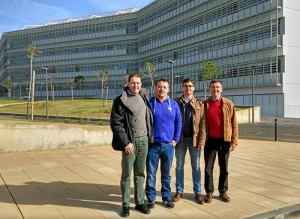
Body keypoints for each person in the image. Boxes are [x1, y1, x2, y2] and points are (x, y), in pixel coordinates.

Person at [110, 72, 153, 217]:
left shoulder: (144, 97)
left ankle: (140, 202)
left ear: (141, 84)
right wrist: (125, 143)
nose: (136, 85)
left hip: (143, 140)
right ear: (128, 83)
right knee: (126, 175)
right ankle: (126, 205)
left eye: (138, 83)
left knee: (140, 174)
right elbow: (116, 124)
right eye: (133, 83)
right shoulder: (121, 100)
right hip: (130, 142)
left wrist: (149, 137)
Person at [146, 79, 182, 209]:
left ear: (168, 89)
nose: (162, 89)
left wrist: (176, 139)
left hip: (168, 146)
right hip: (153, 145)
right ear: (156, 88)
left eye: (164, 87)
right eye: (160, 87)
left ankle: (166, 197)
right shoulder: (150, 103)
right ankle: (150, 198)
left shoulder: (173, 104)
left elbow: (178, 122)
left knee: (166, 173)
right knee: (151, 173)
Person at [203, 80, 238, 203]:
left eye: (217, 87)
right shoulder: (205, 104)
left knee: (224, 168)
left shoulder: (228, 104)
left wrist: (234, 141)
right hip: (209, 141)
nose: (215, 90)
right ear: (209, 89)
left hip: (224, 140)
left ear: (221, 89)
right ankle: (209, 192)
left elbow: (234, 123)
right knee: (208, 168)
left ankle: (223, 191)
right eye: (213, 87)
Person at [173, 78, 206, 204]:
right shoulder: (176, 102)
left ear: (194, 88)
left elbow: (203, 124)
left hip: (194, 141)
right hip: (180, 140)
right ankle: (179, 191)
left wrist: (202, 142)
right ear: (182, 88)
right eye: (186, 86)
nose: (188, 88)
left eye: (190, 86)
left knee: (196, 167)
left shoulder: (199, 103)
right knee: (179, 166)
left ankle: (198, 192)